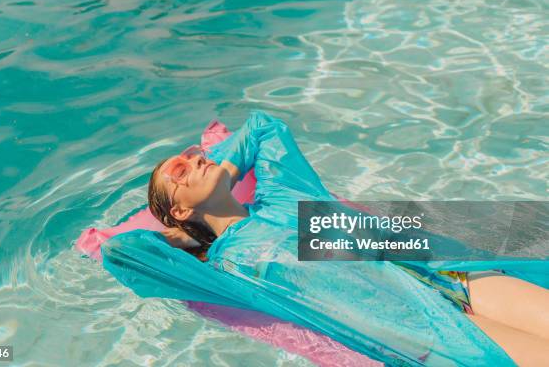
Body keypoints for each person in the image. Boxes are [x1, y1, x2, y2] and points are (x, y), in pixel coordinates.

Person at [142, 111, 548, 365]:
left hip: (444, 277)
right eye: (180, 170)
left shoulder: (284, 198)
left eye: (196, 154)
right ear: (179, 210)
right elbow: (125, 254)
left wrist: (223, 176)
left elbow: (264, 127)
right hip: (428, 328)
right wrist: (184, 238)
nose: (195, 159)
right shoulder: (230, 267)